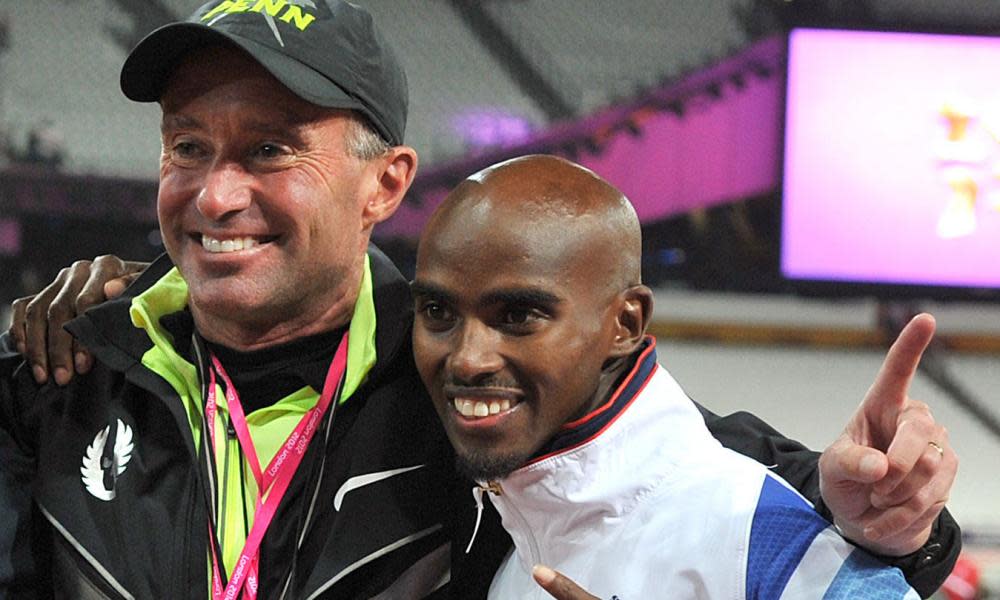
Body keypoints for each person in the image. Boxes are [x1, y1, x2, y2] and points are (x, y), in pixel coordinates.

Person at [1, 1, 958, 598]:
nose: (214, 195)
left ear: (386, 184)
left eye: (271, 149)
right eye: (188, 146)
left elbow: (757, 504)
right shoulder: (57, 379)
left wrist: (900, 523)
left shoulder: (474, 382)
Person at [409, 153, 933, 598]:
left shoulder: (757, 534)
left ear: (626, 324)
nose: (467, 359)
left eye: (519, 316)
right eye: (437, 311)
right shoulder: (502, 527)